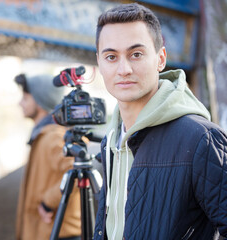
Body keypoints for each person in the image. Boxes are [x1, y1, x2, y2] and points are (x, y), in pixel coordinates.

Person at [93, 3, 227, 240]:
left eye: (136, 54)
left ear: (160, 59)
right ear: (100, 63)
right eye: (111, 57)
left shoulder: (201, 139)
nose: (123, 69)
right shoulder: (111, 141)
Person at [14, 73, 81, 240]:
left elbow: (77, 169)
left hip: (59, 232)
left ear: (40, 101)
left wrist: (47, 202)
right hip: (48, 231)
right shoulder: (44, 134)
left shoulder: (54, 136)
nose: (20, 103)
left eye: (25, 98)